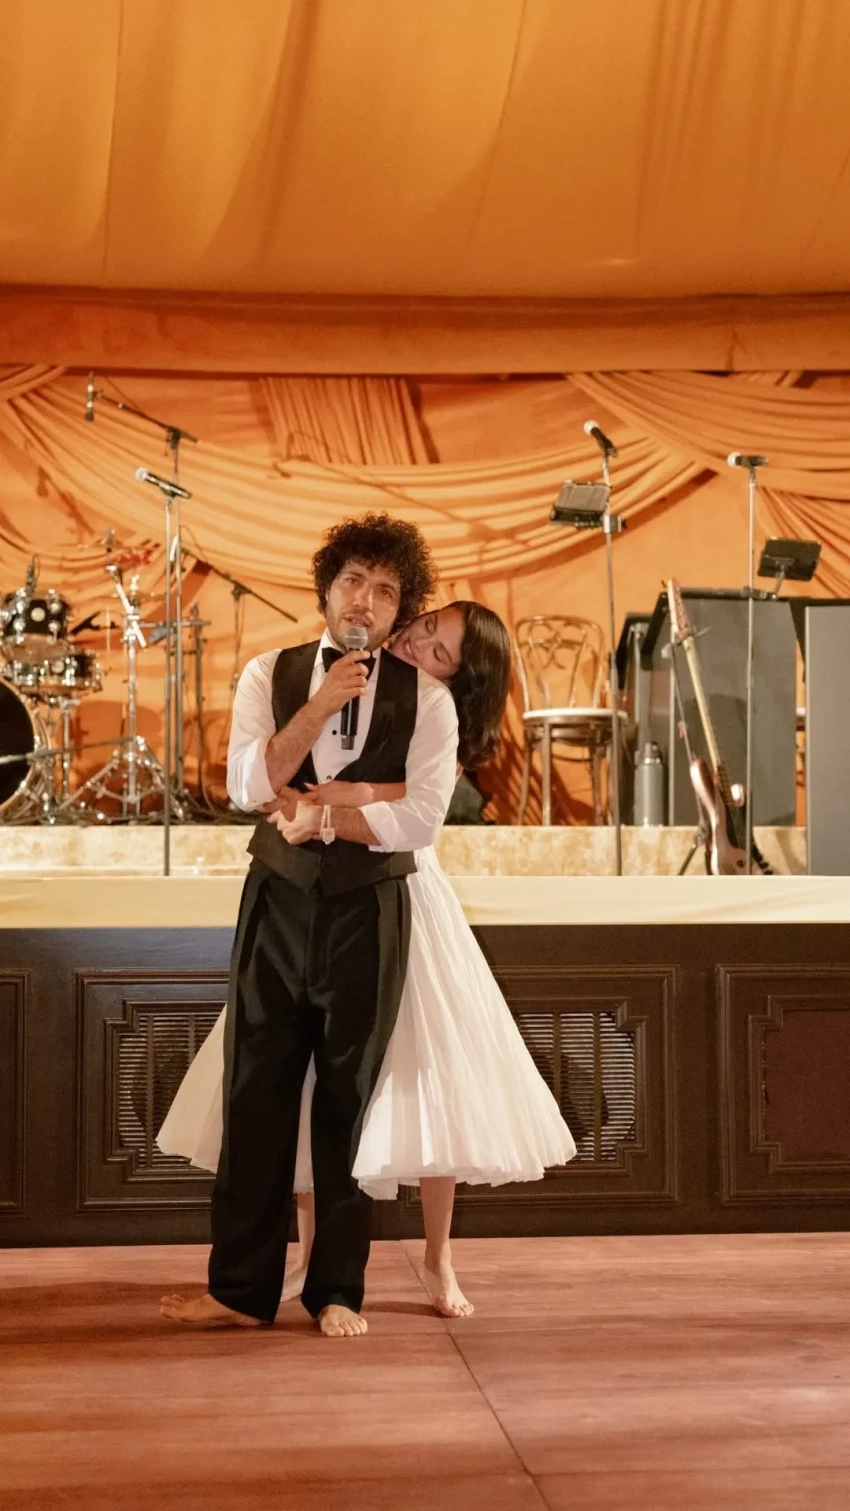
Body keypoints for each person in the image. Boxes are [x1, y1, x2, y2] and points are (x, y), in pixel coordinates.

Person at [159, 597, 576, 1320]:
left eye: (440, 652)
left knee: (431, 1079)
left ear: (460, 677)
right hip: (311, 891)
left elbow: (423, 809)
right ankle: (307, 1258)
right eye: (425, 627)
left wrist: (352, 799)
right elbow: (266, 785)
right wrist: (339, 795)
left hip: (403, 890)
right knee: (306, 1076)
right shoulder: (330, 671)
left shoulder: (433, 707)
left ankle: (438, 1255)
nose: (418, 645)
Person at [160, 513, 458, 1337]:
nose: (366, 600)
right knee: (254, 1087)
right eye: (354, 581)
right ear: (327, 588)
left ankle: (338, 1288)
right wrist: (322, 704)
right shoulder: (270, 673)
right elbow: (248, 785)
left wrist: (326, 818)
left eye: (386, 590)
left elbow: (421, 820)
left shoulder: (430, 701)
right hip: (278, 902)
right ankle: (240, 1287)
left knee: (349, 1097)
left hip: (371, 908)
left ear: (401, 610)